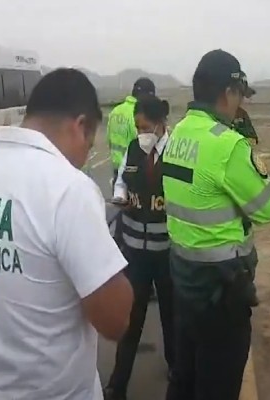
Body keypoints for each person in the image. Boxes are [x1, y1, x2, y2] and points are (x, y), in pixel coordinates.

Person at [0, 68, 134, 400]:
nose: (84, 158)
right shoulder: (68, 189)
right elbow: (115, 321)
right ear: (80, 125)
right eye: (89, 145)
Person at [162, 49, 270, 400]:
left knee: (183, 380)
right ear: (228, 93)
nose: (240, 104)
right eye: (240, 95)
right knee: (217, 387)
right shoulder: (228, 145)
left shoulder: (178, 133)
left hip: (183, 282)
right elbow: (268, 209)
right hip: (222, 293)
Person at [104, 94, 175, 400]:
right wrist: (120, 195)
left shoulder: (175, 151)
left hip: (167, 253)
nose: (141, 133)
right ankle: (117, 385)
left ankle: (176, 370)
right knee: (131, 322)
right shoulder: (134, 148)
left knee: (172, 317)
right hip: (135, 253)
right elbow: (122, 179)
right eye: (138, 127)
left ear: (160, 124)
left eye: (145, 127)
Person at [106, 77, 157, 185]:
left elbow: (109, 137)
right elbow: (142, 143)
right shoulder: (138, 113)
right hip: (132, 170)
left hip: (116, 168)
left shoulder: (115, 111)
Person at [232, 78, 259, 146]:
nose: (242, 99)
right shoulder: (216, 115)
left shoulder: (242, 114)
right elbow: (215, 136)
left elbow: (252, 137)